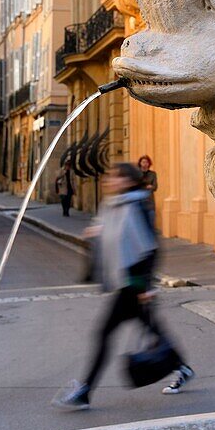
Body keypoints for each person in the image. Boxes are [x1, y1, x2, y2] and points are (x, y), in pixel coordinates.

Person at [54, 163, 194, 410]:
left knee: (104, 333)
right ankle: (183, 368)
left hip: (135, 286)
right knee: (154, 332)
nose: (109, 180)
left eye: (115, 177)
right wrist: (96, 235)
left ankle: (85, 390)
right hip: (124, 283)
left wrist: (145, 287)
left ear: (128, 181)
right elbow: (112, 240)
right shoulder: (111, 206)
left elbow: (150, 247)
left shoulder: (138, 205)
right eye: (108, 176)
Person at [138, 155, 158, 221]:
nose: (145, 164)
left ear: (149, 163)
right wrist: (148, 186)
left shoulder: (153, 174)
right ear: (140, 163)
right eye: (143, 162)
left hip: (149, 201)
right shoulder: (137, 173)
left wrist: (151, 187)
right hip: (139, 201)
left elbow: (155, 187)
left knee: (151, 220)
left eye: (146, 162)